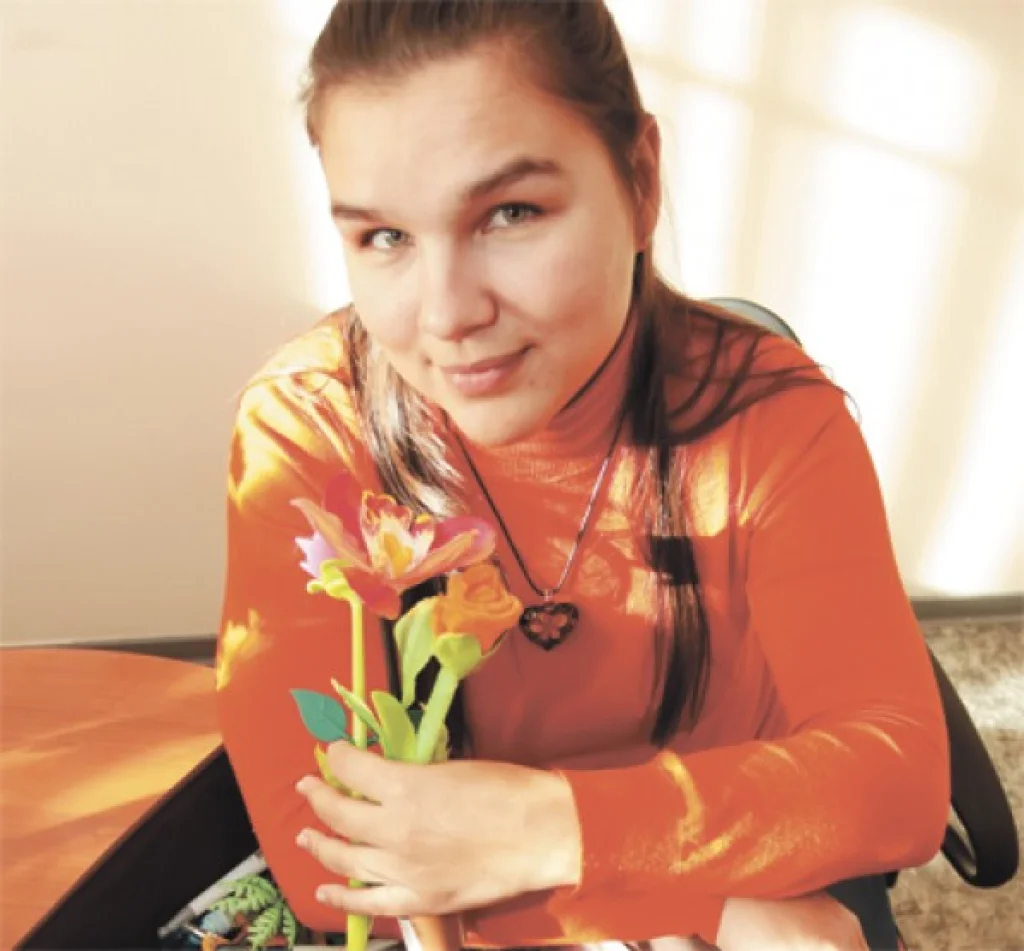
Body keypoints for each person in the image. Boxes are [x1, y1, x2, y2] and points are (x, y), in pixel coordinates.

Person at [214, 2, 949, 949]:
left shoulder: (771, 418)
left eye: (509, 214)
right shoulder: (309, 432)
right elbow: (330, 864)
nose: (446, 314)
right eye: (384, 237)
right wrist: (712, 909)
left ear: (640, 182)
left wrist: (546, 829)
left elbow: (893, 782)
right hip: (696, 901)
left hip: (752, 865)